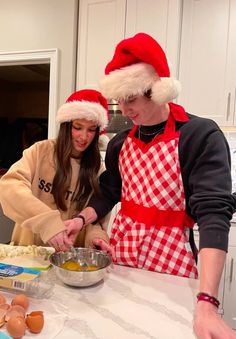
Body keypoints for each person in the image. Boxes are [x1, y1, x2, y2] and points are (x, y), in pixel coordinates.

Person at [61, 33, 236, 338]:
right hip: (123, 260)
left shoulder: (199, 136)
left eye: (131, 99)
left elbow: (213, 214)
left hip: (173, 267)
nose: (125, 110)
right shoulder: (119, 144)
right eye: (120, 101)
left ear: (156, 89)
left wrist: (207, 302)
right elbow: (109, 192)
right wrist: (81, 219)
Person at [0, 89, 111, 254]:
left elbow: (96, 220)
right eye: (78, 127)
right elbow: (9, 186)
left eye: (91, 130)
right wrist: (47, 223)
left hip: (68, 259)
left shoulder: (97, 170)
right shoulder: (41, 151)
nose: (84, 136)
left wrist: (96, 238)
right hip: (29, 254)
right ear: (67, 126)